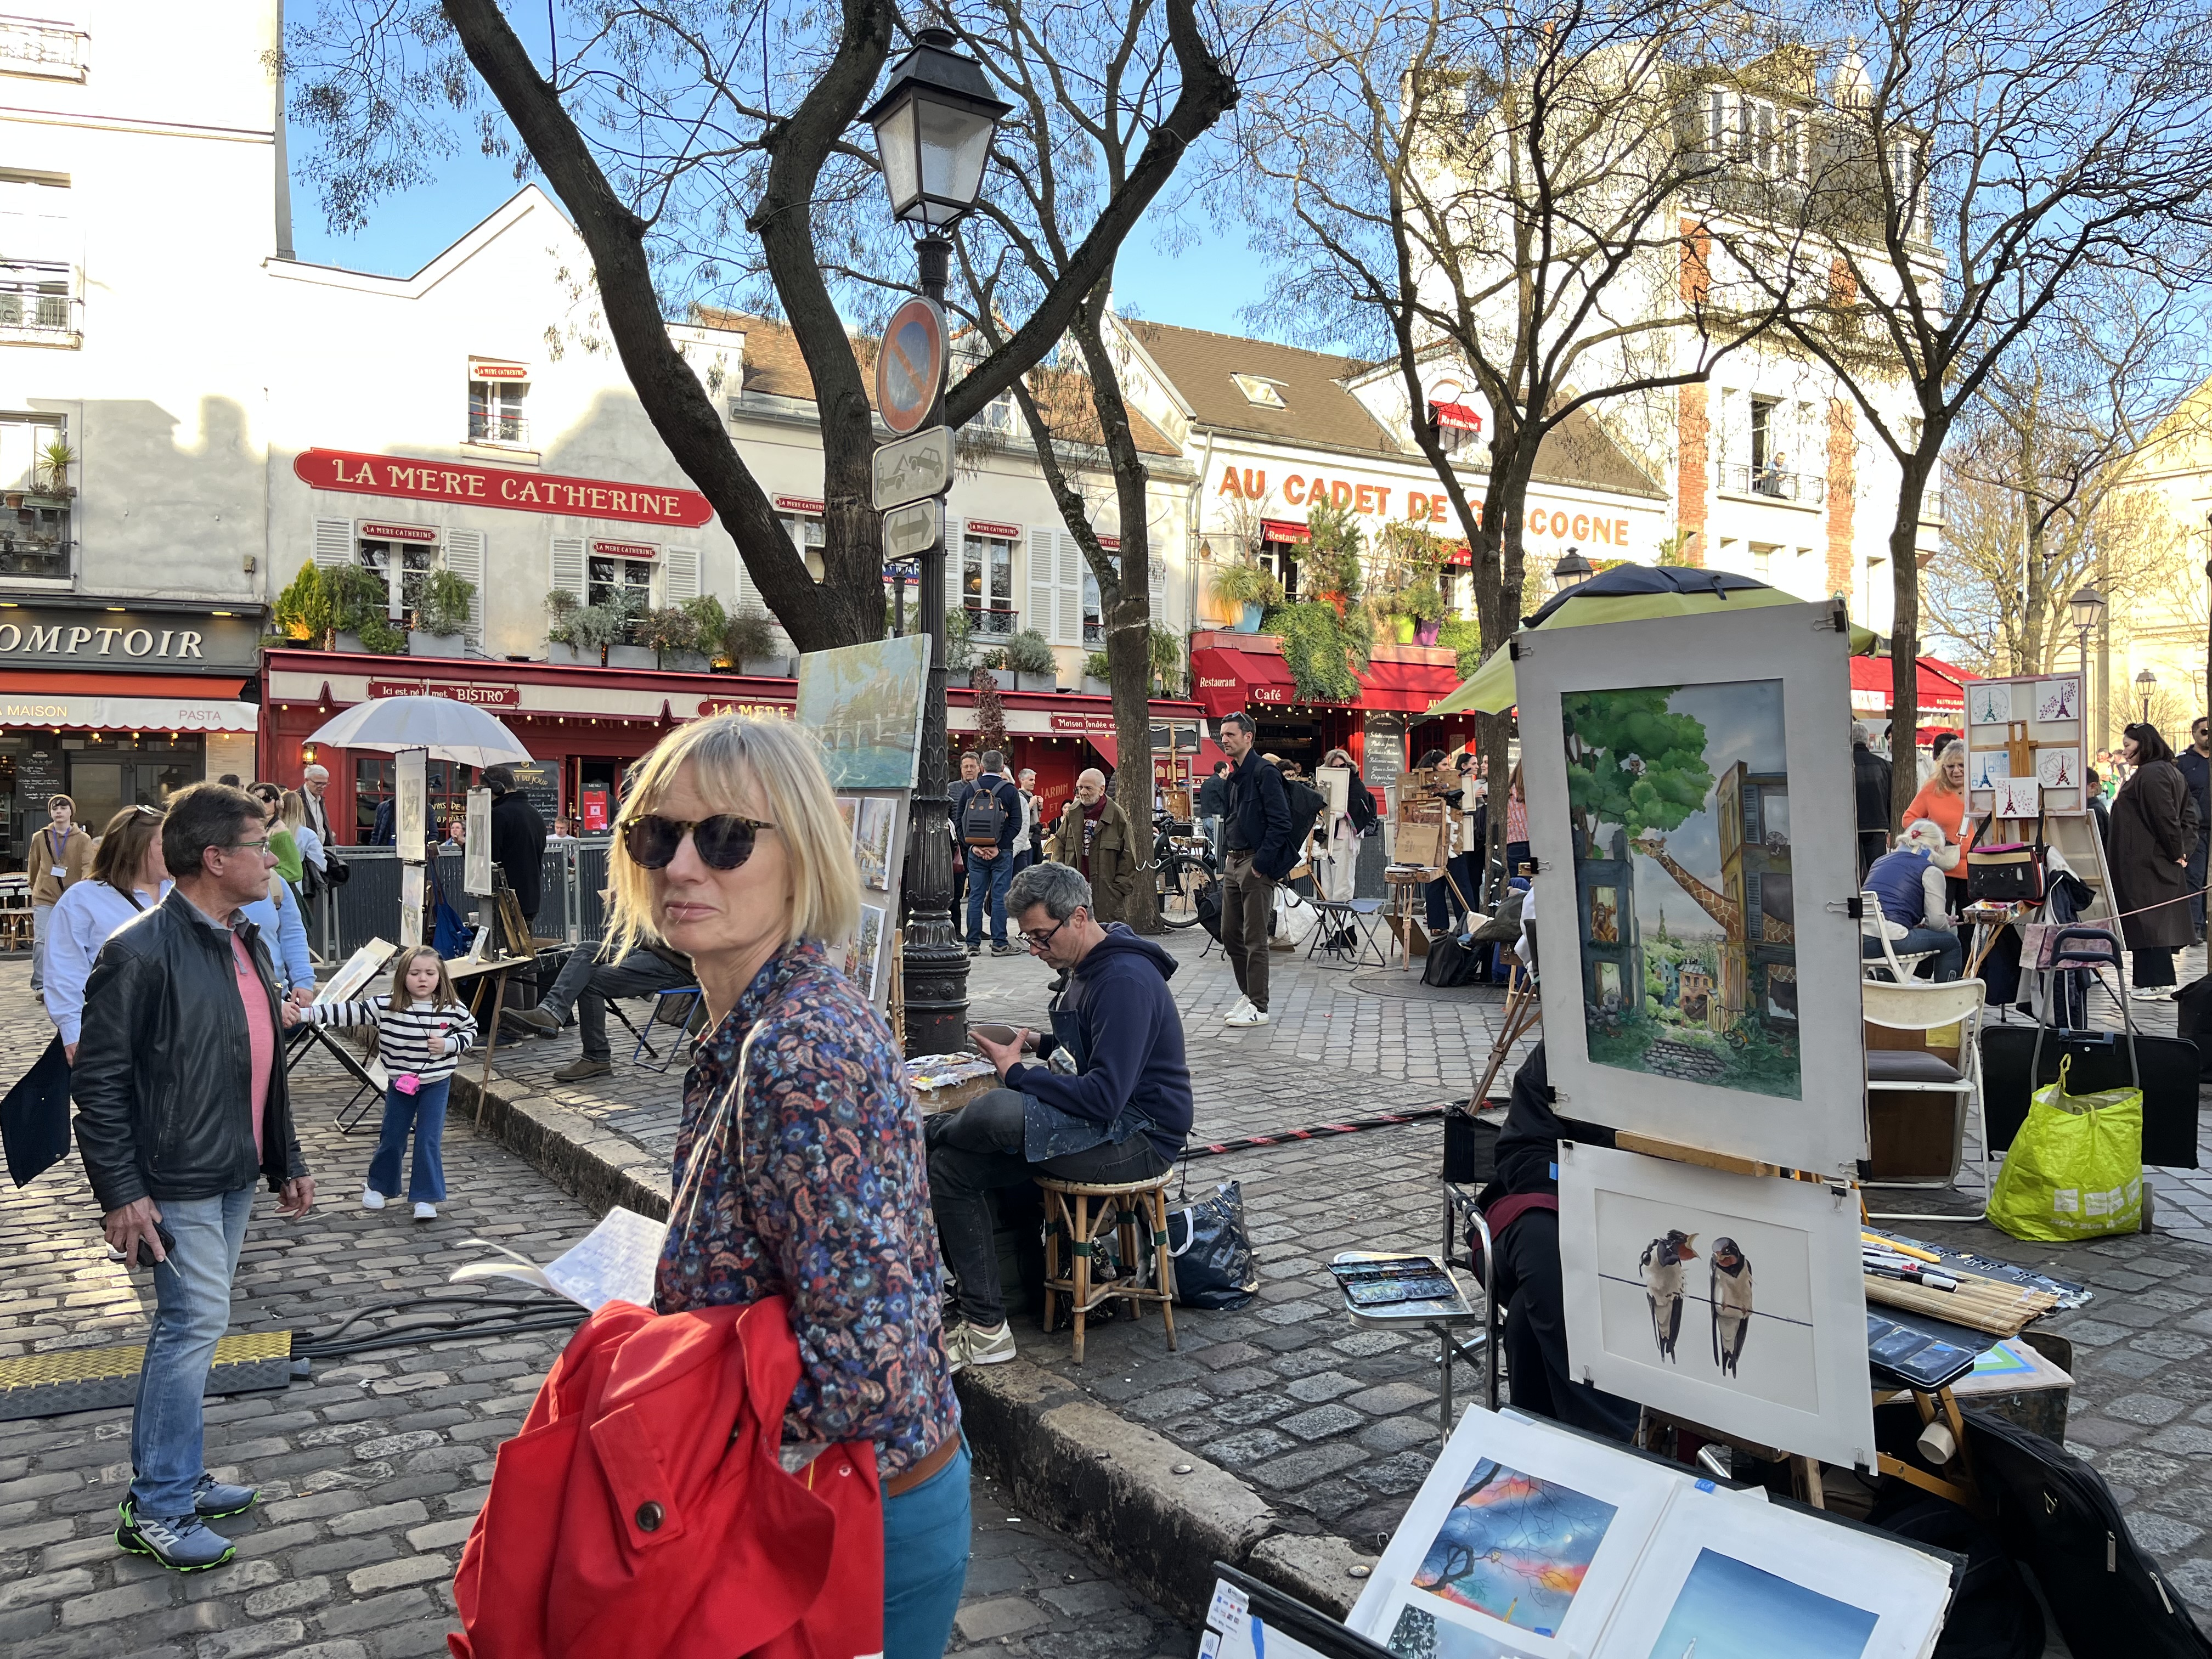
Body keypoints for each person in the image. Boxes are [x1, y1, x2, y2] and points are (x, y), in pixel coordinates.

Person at [606, 714, 967, 1658]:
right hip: (818, 1499)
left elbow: (868, 1367)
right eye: (657, 835)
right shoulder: (756, 1019)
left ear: (800, 855)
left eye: (725, 837)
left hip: (839, 1519)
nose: (682, 866)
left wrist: (670, 1388)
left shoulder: (798, 1049)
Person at [72, 781, 315, 1572]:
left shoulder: (243, 939)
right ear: (215, 858)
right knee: (191, 1329)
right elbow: (99, 1086)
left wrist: (285, 1158)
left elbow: (261, 1064)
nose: (273, 859)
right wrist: (121, 1192)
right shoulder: (138, 952)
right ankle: (159, 1505)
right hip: (174, 1178)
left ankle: (175, 1474)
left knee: (195, 1329)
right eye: (259, 845)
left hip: (231, 1169)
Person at [929, 860, 1191, 1368]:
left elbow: (1104, 1096)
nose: (1034, 949)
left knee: (996, 1112)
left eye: (1040, 937)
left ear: (1078, 918)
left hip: (1138, 1137)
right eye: (1028, 938)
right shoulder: (1088, 968)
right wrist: (1034, 1042)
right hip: (1105, 1123)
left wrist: (1017, 1072)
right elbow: (1091, 1050)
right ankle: (988, 1326)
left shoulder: (1124, 979)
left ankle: (926, 1131)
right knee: (951, 1167)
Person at [1476, 1043, 1638, 1441]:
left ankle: (1545, 1445)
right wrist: (1586, 1191)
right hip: (1551, 1207)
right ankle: (1614, 1441)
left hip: (1653, 1221)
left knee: (1526, 1316)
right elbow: (1524, 1154)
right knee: (1544, 1244)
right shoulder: (1564, 1047)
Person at [295, 945, 477, 1219]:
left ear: (440, 976)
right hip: (400, 1082)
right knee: (392, 1137)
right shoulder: (386, 1005)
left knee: (428, 1139)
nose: (423, 979)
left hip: (436, 1082)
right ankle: (379, 1185)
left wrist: (450, 1044)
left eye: (430, 973)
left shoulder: (452, 1009)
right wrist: (305, 1014)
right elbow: (347, 1012)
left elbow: (471, 1029)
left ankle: (426, 1197)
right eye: (415, 973)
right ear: (403, 975)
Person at [44, 805, 170, 1062]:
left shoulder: (181, 891)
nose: (175, 850)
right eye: (164, 843)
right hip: (113, 1033)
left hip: (177, 1034)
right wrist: (74, 1031)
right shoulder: (82, 899)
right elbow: (64, 970)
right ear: (134, 847)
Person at [507, 930, 696, 1082]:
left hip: (674, 964)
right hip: (651, 951)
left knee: (591, 981)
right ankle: (550, 1012)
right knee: (587, 948)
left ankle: (596, 1056)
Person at [2109, 722, 2199, 1000]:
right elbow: (2188, 817)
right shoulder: (2165, 771)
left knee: (2149, 921)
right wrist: (2181, 852)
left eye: (2128, 745)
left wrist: (2177, 852)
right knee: (2150, 921)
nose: (2124, 752)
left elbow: (2165, 817)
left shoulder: (2152, 773)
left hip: (2147, 862)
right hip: (2152, 860)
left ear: (2144, 744)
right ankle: (2150, 982)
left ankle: (2156, 982)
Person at [1218, 712, 1294, 1027]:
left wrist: (1261, 865)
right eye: (1222, 734)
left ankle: (1259, 1007)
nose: (1224, 740)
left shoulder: (1265, 772)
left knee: (1255, 937)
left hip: (1254, 863)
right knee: (1229, 934)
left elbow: (1282, 822)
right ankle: (1248, 995)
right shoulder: (1235, 775)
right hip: (1234, 861)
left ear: (1248, 737)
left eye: (1231, 735)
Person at [1860, 821, 1963, 981]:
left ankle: (1889, 984)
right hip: (1891, 940)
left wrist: (1917, 924)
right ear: (1937, 848)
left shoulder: (1880, 861)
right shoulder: (1930, 871)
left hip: (1860, 939)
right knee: (1951, 943)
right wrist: (1946, 923)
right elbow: (1936, 923)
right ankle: (1947, 992)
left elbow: (1888, 907)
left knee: (1891, 938)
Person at [486, 764, 549, 993]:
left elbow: (491, 859)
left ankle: (511, 1017)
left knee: (508, 964)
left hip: (506, 898)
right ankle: (528, 1012)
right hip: (529, 897)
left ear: (496, 788)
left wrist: (468, 848)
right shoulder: (534, 813)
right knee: (526, 959)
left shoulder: (499, 815)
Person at [1046, 766, 1136, 927]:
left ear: (1102, 790)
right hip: (1074, 890)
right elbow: (1060, 844)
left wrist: (1118, 890)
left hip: (1106, 893)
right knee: (1075, 932)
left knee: (1106, 934)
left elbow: (1128, 856)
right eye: (1080, 787)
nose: (1083, 792)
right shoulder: (1073, 812)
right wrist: (1059, 878)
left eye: (1088, 788)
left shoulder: (1117, 815)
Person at [27, 792, 93, 993]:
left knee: (73, 941)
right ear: (50, 813)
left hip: (72, 898)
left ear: (71, 812)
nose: (59, 811)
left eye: (63, 808)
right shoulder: (40, 837)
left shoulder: (83, 839)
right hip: (45, 896)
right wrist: (35, 887)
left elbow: (88, 866)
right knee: (42, 941)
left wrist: (83, 888)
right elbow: (34, 865)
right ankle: (40, 984)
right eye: (55, 808)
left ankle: (71, 981)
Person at [960, 750, 1023, 956]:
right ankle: (999, 943)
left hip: (975, 852)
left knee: (975, 897)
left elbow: (959, 820)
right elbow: (1016, 823)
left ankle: (973, 944)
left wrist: (973, 846)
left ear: (981, 767)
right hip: (1002, 852)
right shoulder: (1010, 790)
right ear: (1002, 767)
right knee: (999, 897)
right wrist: (999, 846)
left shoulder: (970, 788)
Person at [2179, 716, 2210, 943]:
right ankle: (2195, 928)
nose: (2208, 736)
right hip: (2196, 830)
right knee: (2195, 879)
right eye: (2204, 732)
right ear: (2194, 734)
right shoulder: (2183, 762)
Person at [1852, 721, 1893, 881]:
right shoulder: (1884, 765)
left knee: (1853, 874)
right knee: (1877, 872)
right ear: (1867, 740)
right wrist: (1889, 827)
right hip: (1878, 825)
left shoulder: (1844, 765)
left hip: (1852, 826)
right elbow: (1890, 798)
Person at [949, 751, 980, 912]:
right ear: (961, 769)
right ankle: (956, 926)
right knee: (956, 891)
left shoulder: (984, 789)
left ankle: (975, 925)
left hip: (980, 845)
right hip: (958, 848)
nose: (969, 769)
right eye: (966, 766)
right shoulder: (950, 789)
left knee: (978, 891)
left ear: (979, 768)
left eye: (972, 766)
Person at [1195, 759, 1232, 860]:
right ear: (1223, 770)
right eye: (1228, 770)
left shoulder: (1205, 783)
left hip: (1205, 820)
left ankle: (1211, 867)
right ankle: (1219, 869)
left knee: (1213, 849)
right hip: (1216, 820)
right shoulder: (1220, 783)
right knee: (1220, 850)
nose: (1229, 772)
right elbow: (1226, 800)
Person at [1013, 768, 1042, 874]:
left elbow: (1036, 818)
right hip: (1026, 838)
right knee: (1026, 870)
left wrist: (1040, 807)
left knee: (1036, 868)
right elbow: (1019, 815)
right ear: (1022, 780)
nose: (1034, 783)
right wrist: (1030, 804)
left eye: (1034, 780)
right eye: (1031, 780)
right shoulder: (1018, 796)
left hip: (1036, 837)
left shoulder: (1033, 796)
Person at [298, 763, 336, 845]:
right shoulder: (296, 799)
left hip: (322, 849)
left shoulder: (320, 799)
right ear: (307, 780)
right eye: (318, 783)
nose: (322, 787)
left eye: (325, 784)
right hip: (305, 849)